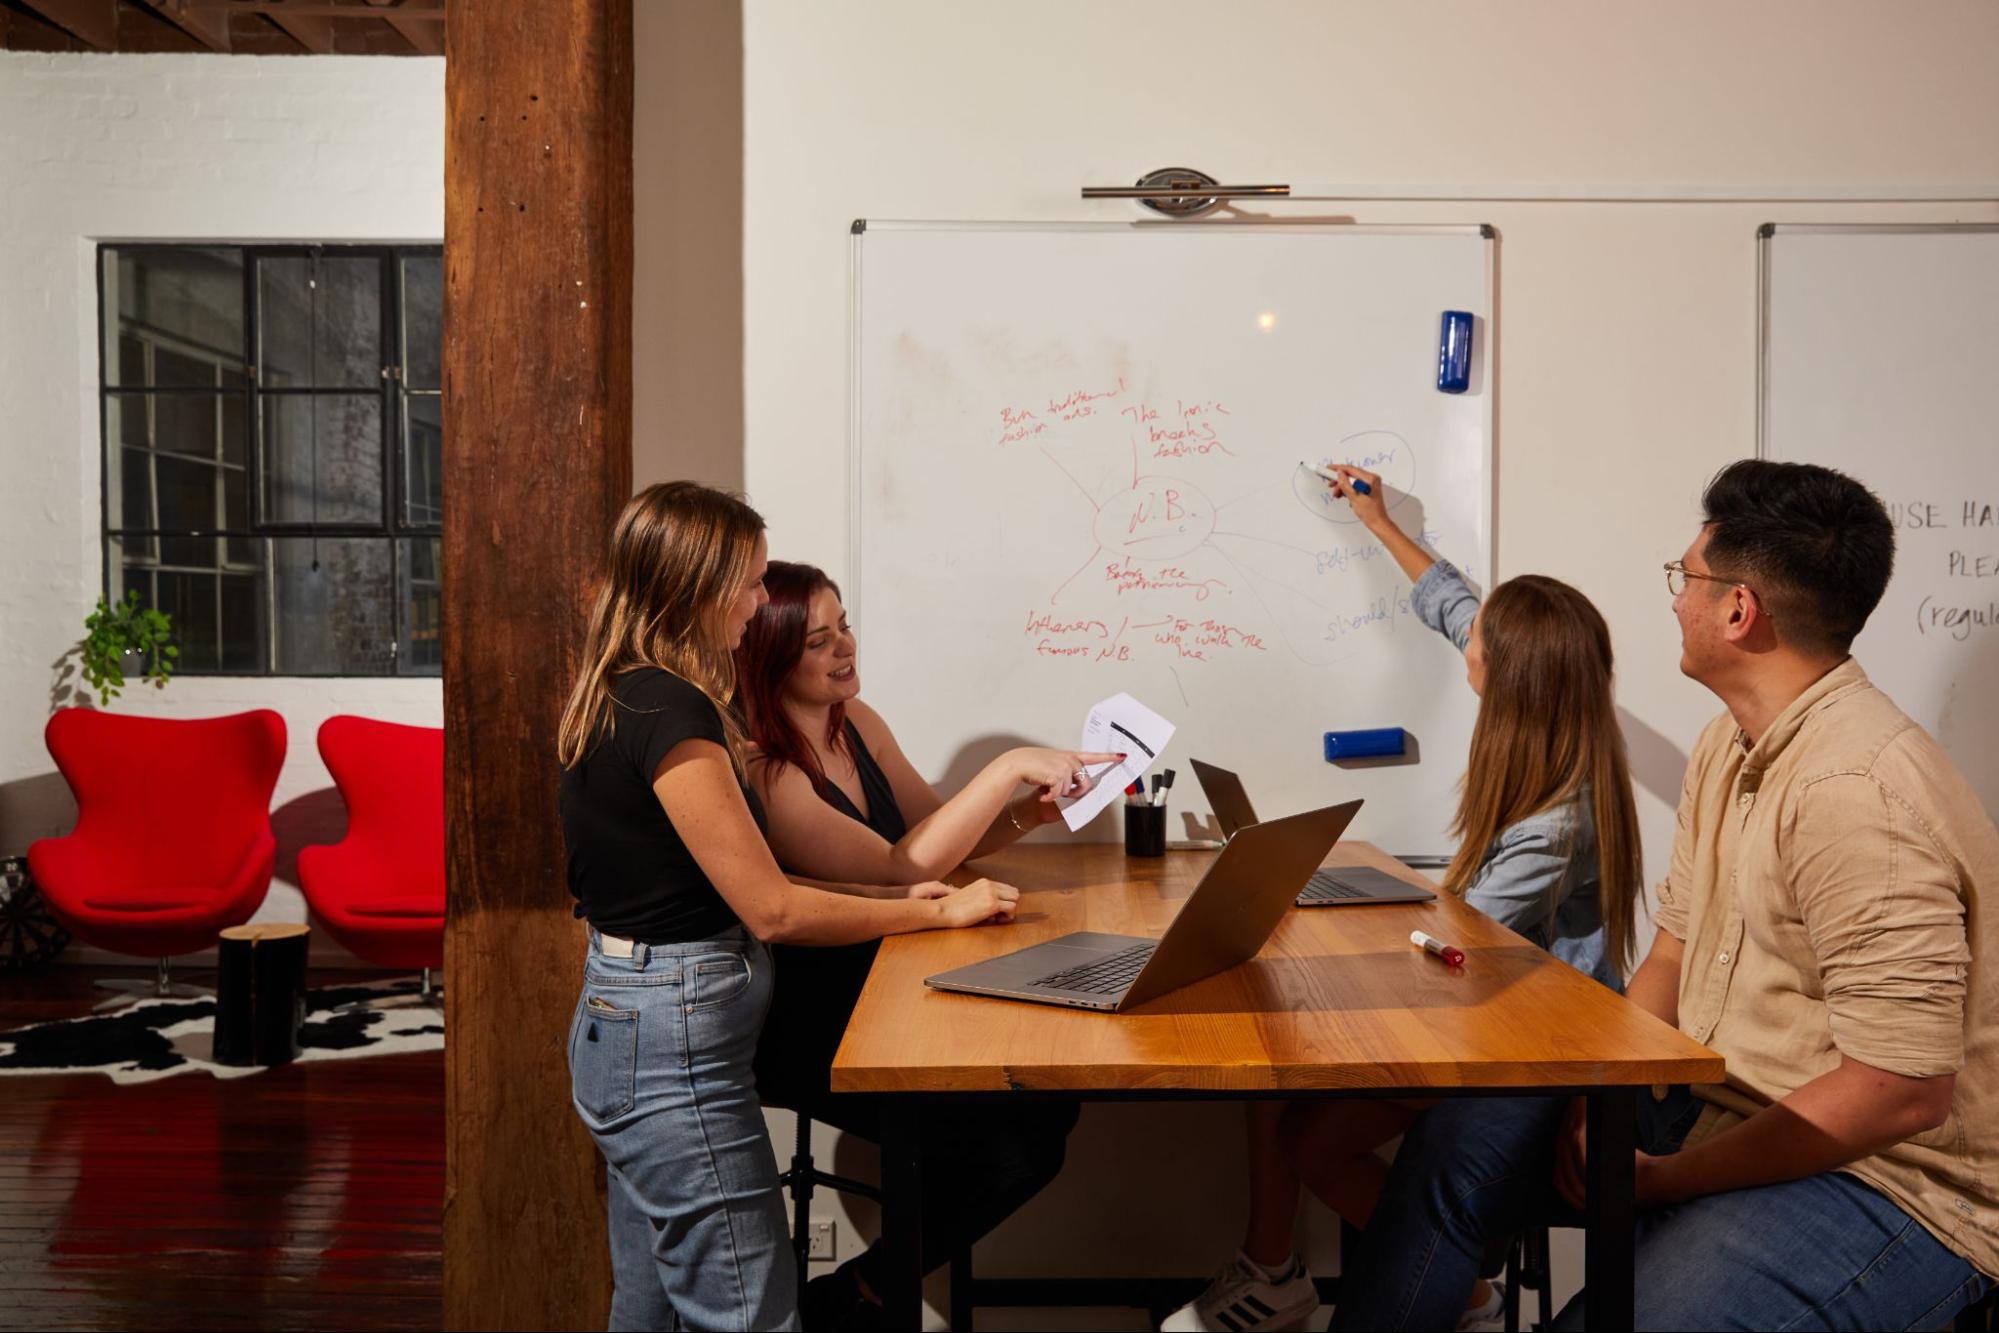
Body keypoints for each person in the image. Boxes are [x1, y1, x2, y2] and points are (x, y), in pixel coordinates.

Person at [1338, 459, 1997, 1331]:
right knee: (1454, 1148)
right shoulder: (1731, 747)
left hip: (1887, 1181)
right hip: (1721, 1102)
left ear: (1737, 610)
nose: (1674, 597)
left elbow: (1897, 1094)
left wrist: (1657, 1178)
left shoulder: (1853, 789)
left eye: (1683, 576)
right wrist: (1593, 1092)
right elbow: (1673, 954)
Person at [1166, 463, 1644, 1333]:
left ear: (1510, 680)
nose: (1466, 644)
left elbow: (1461, 936)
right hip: (1489, 1007)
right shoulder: (1540, 717)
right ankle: (1428, 1290)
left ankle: (1438, 1289)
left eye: (1479, 646)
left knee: (1309, 1110)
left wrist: (1339, 932)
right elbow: (1450, 600)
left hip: (1531, 1039)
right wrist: (1377, 520)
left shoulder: (1558, 818)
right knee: (1300, 1131)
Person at [556, 483, 1021, 1332]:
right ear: (697, 585)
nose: (759, 601)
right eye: (749, 580)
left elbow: (717, 881)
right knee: (750, 1313)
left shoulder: (624, 689)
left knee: (651, 1306)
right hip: (671, 1045)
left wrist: (884, 892)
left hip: (630, 1022)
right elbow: (769, 911)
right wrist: (934, 915)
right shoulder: (678, 711)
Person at [734, 560, 1120, 1329]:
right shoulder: (763, 766)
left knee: (1049, 1113)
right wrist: (1009, 765)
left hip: (894, 984)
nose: (845, 647)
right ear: (770, 655)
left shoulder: (859, 722)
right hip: (818, 1017)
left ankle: (863, 1292)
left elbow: (934, 835)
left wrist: (1023, 817)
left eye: (844, 624)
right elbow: (898, 865)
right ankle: (857, 1297)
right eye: (819, 639)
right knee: (1020, 1142)